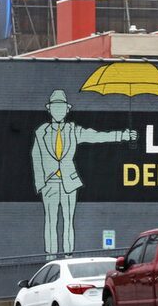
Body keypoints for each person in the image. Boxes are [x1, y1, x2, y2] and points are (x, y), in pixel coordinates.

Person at [31, 89, 136, 257]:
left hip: (69, 183)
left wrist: (122, 135)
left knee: (68, 221)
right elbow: (36, 158)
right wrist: (40, 184)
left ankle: (68, 256)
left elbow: (96, 136)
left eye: (62, 108)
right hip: (49, 183)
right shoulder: (41, 132)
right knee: (50, 222)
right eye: (55, 108)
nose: (58, 111)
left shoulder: (73, 130)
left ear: (67, 110)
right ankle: (50, 256)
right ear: (49, 109)